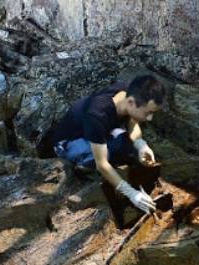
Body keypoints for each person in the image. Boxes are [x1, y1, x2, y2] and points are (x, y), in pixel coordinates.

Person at [50, 75, 166, 214]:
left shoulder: (129, 91)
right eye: (148, 113)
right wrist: (131, 193)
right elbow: (102, 164)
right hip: (70, 141)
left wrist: (141, 144)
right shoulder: (97, 114)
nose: (150, 118)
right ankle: (82, 165)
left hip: (100, 130)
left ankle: (108, 145)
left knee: (129, 145)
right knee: (101, 156)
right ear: (130, 102)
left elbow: (132, 120)